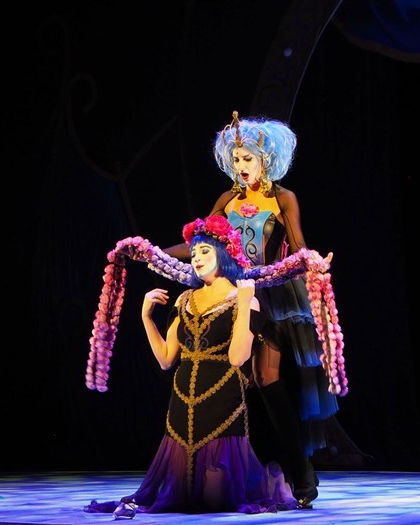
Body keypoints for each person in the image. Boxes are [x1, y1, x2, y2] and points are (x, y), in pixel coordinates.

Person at [162, 111, 340, 507]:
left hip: (274, 295)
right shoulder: (227, 200)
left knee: (265, 376)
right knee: (239, 381)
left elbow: (298, 245)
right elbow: (200, 244)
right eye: (237, 159)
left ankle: (301, 472)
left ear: (266, 160)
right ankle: (247, 472)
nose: (242, 166)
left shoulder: (282, 198)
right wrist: (152, 251)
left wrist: (314, 263)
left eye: (248, 159)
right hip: (233, 294)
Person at [84, 215, 298, 518]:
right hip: (182, 400)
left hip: (222, 398)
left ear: (223, 253)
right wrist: (146, 317)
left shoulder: (244, 298)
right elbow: (165, 359)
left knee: (216, 502)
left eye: (204, 251)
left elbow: (238, 357)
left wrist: (245, 302)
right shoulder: (185, 299)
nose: (196, 258)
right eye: (194, 253)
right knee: (181, 499)